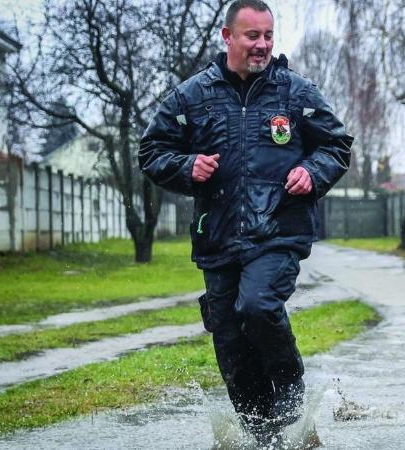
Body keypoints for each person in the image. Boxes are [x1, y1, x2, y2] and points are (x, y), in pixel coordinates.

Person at [138, 0, 352, 443]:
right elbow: (152, 151)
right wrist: (186, 166)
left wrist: (311, 172)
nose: (262, 45)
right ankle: (262, 431)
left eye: (268, 36)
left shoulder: (296, 93)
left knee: (257, 306)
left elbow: (337, 146)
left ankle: (292, 403)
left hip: (277, 232)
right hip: (216, 237)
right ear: (228, 36)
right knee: (229, 336)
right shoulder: (191, 96)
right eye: (252, 36)